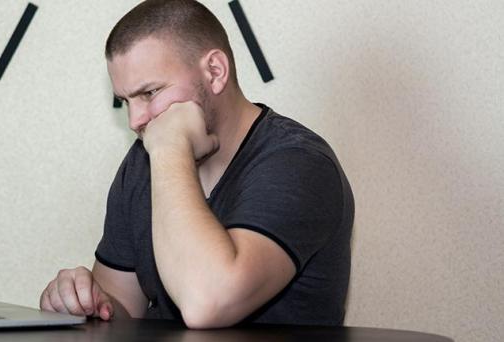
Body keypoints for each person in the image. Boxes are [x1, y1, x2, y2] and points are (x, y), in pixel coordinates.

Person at [39, 0, 354, 329]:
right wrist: (84, 301)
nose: (136, 120)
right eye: (125, 101)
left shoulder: (300, 163)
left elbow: (208, 303)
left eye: (150, 93)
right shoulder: (143, 160)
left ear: (215, 72)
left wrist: (170, 147)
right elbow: (120, 308)